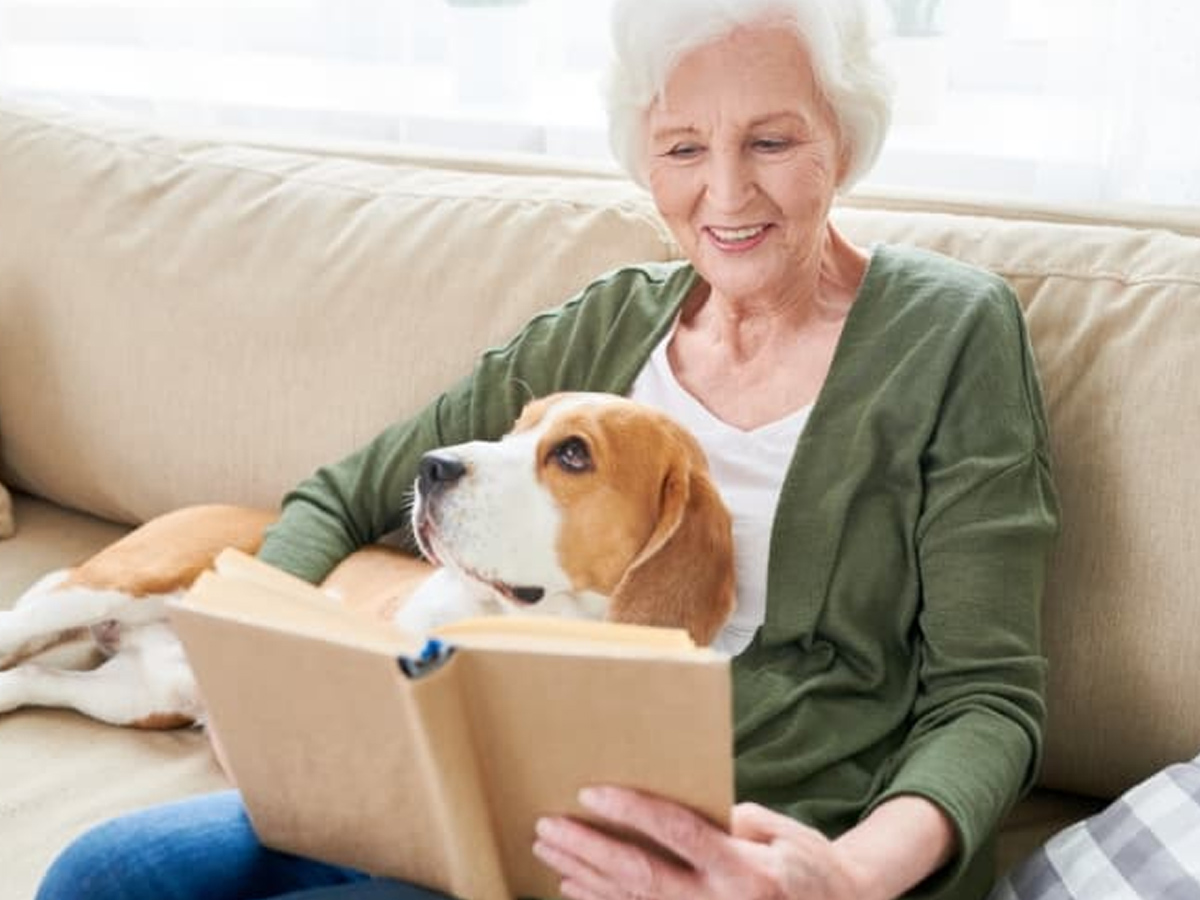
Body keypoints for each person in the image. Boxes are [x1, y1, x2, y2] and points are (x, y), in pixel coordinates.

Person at [36, 1, 1059, 898]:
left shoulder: (950, 332)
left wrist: (847, 876)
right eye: (684, 148)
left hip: (740, 846)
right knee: (103, 874)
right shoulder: (604, 329)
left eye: (771, 141)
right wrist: (254, 678)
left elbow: (989, 700)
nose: (726, 192)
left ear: (844, 137)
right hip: (477, 786)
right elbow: (343, 497)